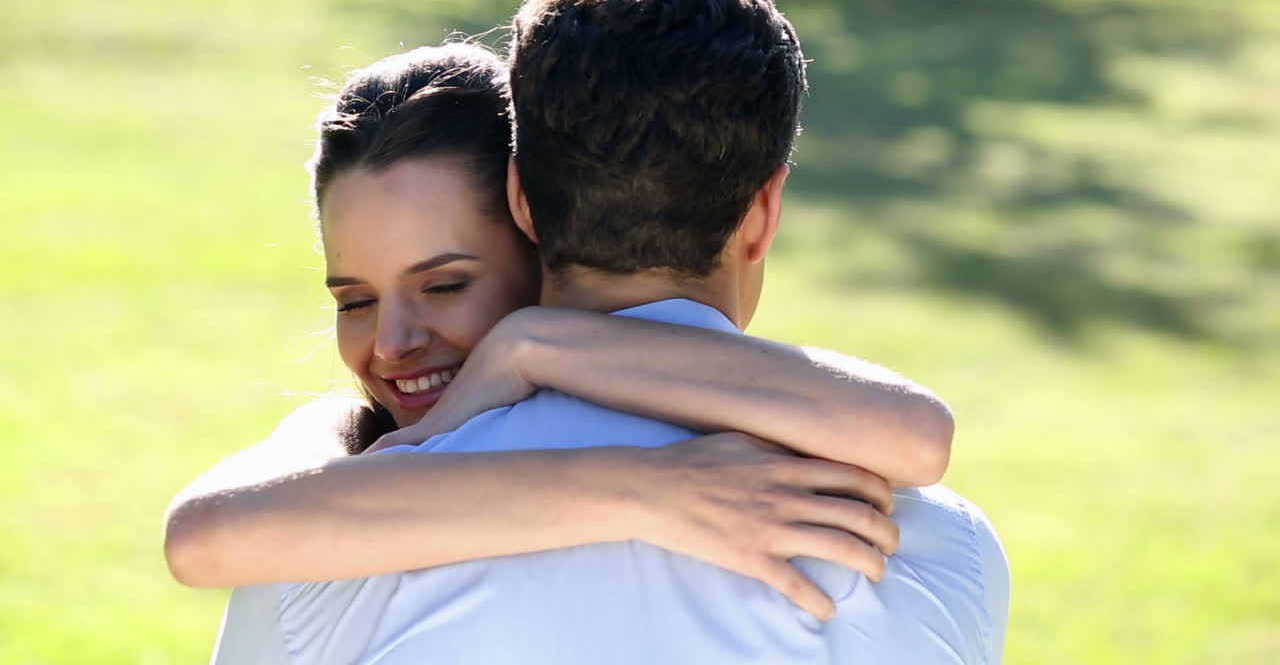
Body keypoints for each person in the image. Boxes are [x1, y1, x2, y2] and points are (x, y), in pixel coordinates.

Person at [165, 42, 959, 662]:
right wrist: (647, 491)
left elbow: (915, 432)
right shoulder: (342, 441)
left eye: (445, 286)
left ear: (535, 227)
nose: (393, 343)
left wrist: (534, 342)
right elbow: (202, 539)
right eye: (354, 300)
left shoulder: (564, 354)